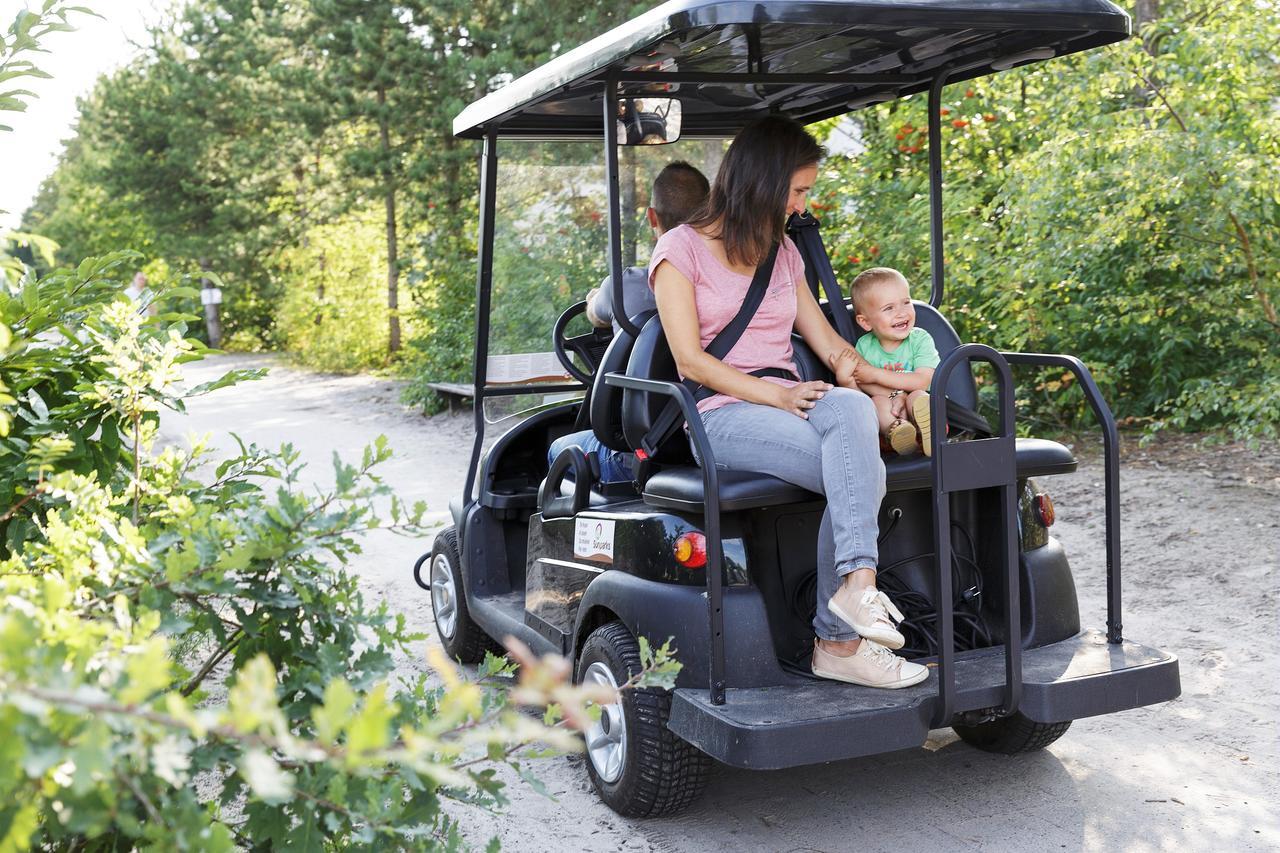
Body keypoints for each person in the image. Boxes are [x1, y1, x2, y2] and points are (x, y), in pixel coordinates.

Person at [649, 116, 927, 689]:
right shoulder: (680, 251)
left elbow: (828, 346)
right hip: (719, 411)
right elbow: (689, 362)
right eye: (798, 191)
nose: (803, 206)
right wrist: (778, 394)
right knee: (859, 469)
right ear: (762, 183)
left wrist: (893, 382)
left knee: (851, 414)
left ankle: (855, 591)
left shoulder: (782, 252)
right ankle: (840, 640)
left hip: (792, 399)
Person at [547, 162, 710, 483]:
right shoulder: (727, 285)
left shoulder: (627, 286)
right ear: (709, 212)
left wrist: (597, 294)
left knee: (558, 449)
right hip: (704, 435)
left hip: (644, 450)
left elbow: (594, 313)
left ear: (652, 217)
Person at [842, 267, 940, 457]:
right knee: (877, 402)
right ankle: (898, 431)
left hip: (918, 405)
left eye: (906, 302)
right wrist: (893, 395)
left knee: (918, 396)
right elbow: (864, 383)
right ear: (865, 322)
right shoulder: (865, 346)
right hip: (891, 411)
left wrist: (877, 374)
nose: (901, 313)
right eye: (889, 308)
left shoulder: (920, 339)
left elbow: (922, 380)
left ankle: (927, 428)